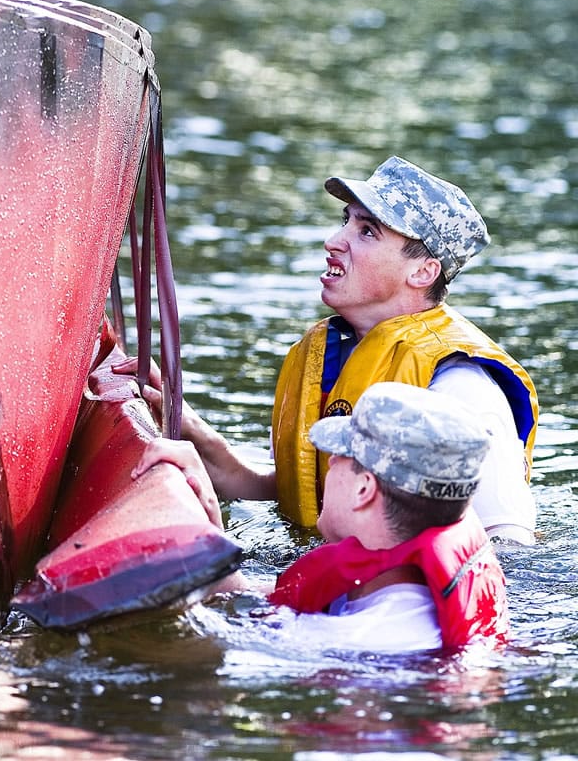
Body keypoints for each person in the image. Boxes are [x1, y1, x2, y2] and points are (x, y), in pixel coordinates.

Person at [136, 156, 538, 544]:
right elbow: (302, 496)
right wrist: (195, 435)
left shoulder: (460, 387)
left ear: (422, 272)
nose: (333, 241)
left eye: (367, 231)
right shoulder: (332, 353)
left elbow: (509, 548)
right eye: (345, 220)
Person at [134, 382, 509, 652]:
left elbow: (220, 631)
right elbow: (253, 596)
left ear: (364, 488)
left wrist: (206, 534)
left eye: (338, 455)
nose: (328, 465)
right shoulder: (394, 586)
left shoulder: (360, 638)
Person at [267, 381, 508, 652]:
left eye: (342, 452)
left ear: (363, 489)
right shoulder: (399, 591)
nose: (331, 460)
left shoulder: (348, 641)